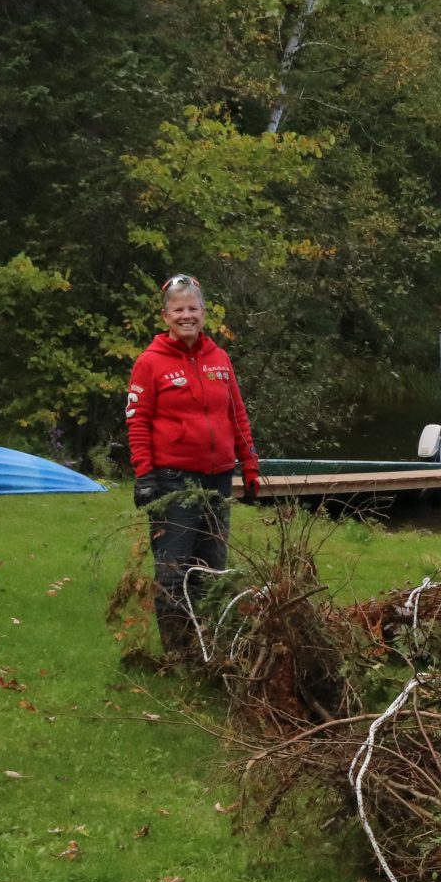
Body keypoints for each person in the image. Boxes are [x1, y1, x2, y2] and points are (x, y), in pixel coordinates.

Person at [125, 274, 261, 664]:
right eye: (178, 309)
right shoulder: (150, 363)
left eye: (193, 308)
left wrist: (249, 465)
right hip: (173, 479)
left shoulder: (219, 359)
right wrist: (145, 475)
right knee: (173, 567)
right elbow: (138, 421)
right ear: (166, 316)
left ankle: (210, 647)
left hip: (217, 476)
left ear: (204, 313)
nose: (187, 316)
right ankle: (179, 655)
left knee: (212, 567)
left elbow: (237, 416)